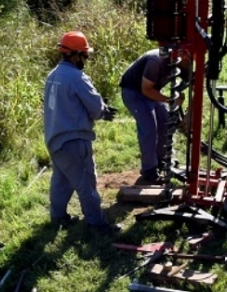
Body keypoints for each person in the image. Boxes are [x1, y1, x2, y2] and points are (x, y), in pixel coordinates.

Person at [43, 31, 121, 234]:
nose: (86, 60)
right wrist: (104, 111)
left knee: (62, 181)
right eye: (85, 56)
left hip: (54, 139)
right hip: (73, 141)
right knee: (86, 182)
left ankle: (58, 218)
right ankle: (98, 224)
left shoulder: (53, 76)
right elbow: (95, 109)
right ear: (75, 55)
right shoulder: (78, 78)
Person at [119, 48, 191, 184]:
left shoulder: (180, 61)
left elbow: (192, 78)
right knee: (149, 128)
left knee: (165, 122)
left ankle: (162, 160)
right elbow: (145, 89)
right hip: (134, 92)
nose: (190, 63)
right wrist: (170, 100)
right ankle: (149, 171)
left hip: (152, 90)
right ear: (182, 54)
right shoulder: (155, 61)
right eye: (190, 59)